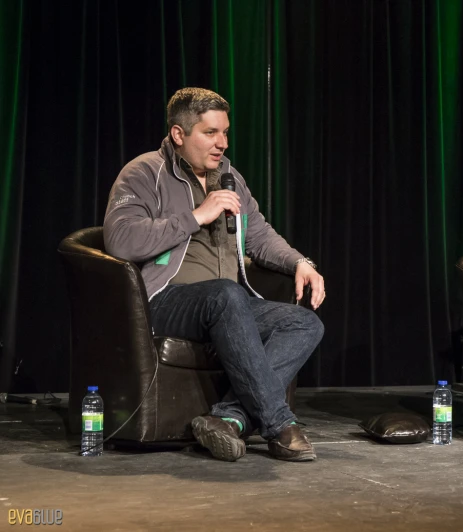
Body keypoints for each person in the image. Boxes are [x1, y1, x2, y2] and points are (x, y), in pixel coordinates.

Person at [104, 87, 325, 462]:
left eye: (225, 132)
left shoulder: (229, 177)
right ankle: (278, 424)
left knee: (304, 323)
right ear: (179, 134)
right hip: (165, 300)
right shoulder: (144, 173)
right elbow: (121, 240)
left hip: (229, 303)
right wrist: (196, 216)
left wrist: (300, 262)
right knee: (225, 294)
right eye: (211, 133)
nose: (222, 143)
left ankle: (229, 420)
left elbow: (259, 235)